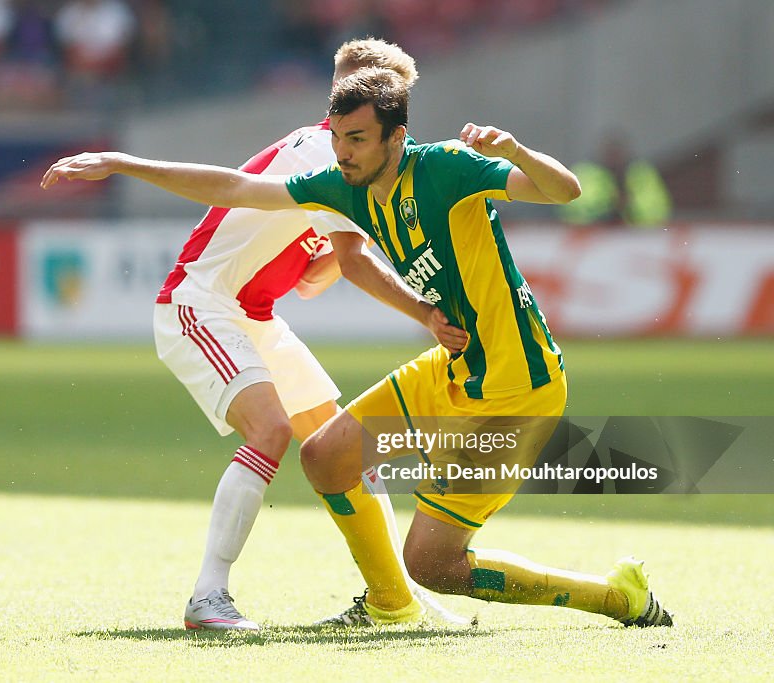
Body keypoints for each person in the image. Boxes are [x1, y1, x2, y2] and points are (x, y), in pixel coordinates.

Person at [40, 67, 672, 629]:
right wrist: (124, 163)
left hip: (517, 391)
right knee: (326, 456)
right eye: (338, 138)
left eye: (357, 140)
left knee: (433, 565)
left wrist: (517, 152)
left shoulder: (450, 167)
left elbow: (564, 192)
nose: (341, 154)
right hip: (451, 370)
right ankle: (384, 604)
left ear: (396, 137)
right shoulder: (344, 185)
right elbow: (234, 188)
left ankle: (614, 599)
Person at [46, 40, 460, 631]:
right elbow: (338, 252)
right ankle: (207, 598)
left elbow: (322, 271)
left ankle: (390, 595)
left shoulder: (338, 158)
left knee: (345, 444)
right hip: (200, 302)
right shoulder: (329, 154)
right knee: (271, 430)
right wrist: (423, 312)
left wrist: (335, 251)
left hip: (252, 314)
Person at [559, 130, 672, 227]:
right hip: (593, 236)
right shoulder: (587, 172)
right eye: (611, 153)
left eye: (617, 153)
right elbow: (574, 210)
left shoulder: (641, 173)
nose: (614, 158)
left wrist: (630, 206)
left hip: (636, 236)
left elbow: (657, 211)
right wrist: (608, 205)